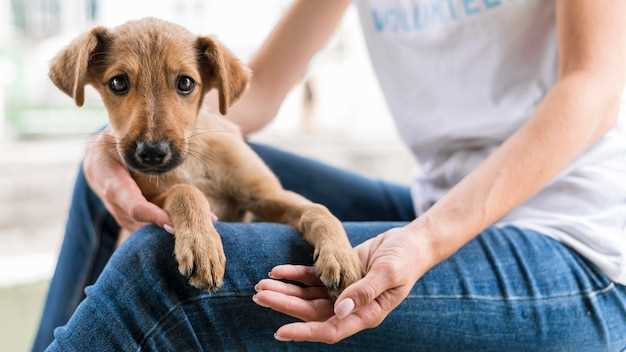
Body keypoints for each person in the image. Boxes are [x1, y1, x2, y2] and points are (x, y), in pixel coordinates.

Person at [33, 0, 626, 351]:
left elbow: (592, 89)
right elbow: (254, 94)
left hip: (577, 245)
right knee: (109, 179)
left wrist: (425, 240)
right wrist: (112, 145)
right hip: (435, 202)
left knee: (159, 270)